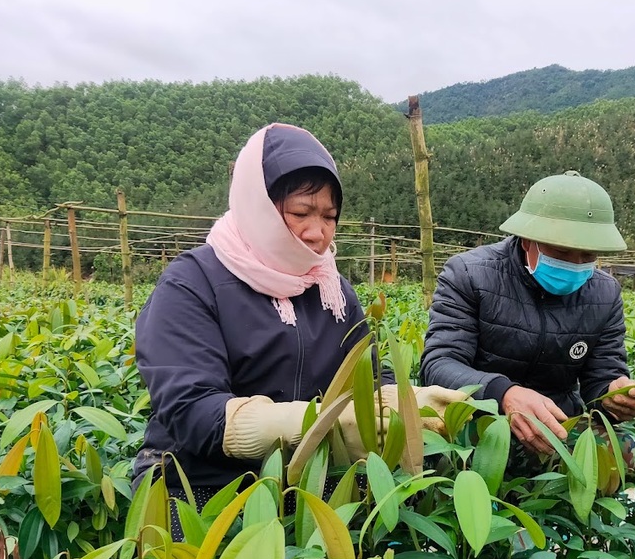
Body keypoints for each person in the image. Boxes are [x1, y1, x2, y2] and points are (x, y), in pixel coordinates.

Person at [133, 123, 464, 516]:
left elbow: (371, 376)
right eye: (301, 212)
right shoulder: (192, 283)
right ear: (258, 207)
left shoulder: (332, 290)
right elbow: (193, 412)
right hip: (199, 481)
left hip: (312, 476)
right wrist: (318, 425)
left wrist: (402, 405)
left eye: (329, 216)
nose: (317, 233)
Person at [420, 170, 635, 466]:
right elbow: (439, 365)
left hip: (556, 425)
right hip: (477, 421)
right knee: (454, 464)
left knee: (630, 454)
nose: (575, 264)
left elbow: (602, 375)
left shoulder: (603, 294)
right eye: (562, 251)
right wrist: (504, 394)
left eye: (588, 255)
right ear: (527, 239)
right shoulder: (469, 274)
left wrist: (614, 394)